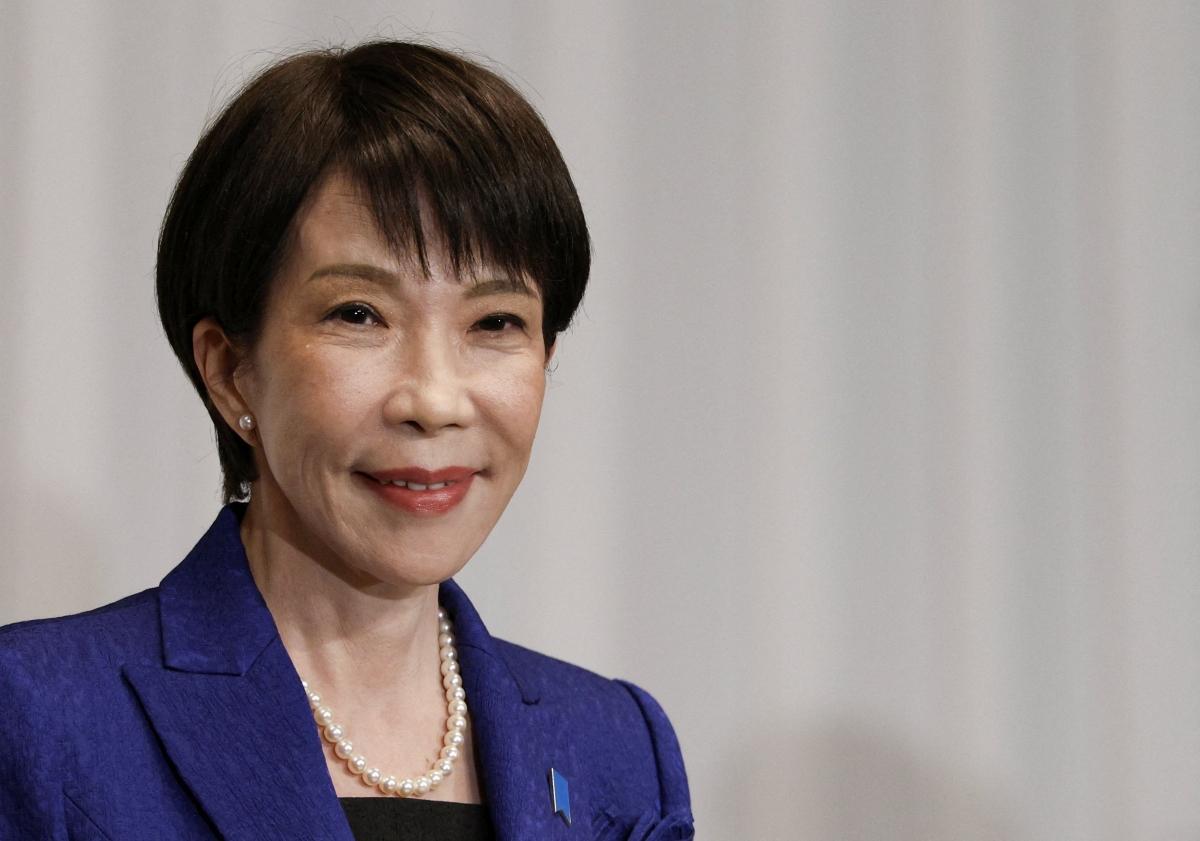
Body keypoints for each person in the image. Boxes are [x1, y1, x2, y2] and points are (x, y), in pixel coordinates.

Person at [0, 40, 692, 841]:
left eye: (495, 322)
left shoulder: (616, 746)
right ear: (231, 370)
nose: (435, 400)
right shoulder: (42, 715)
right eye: (359, 315)